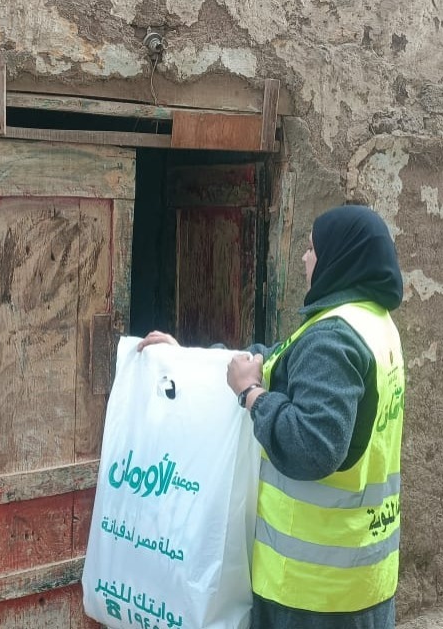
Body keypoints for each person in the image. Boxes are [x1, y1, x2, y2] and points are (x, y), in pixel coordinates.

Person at [138, 204, 405, 629]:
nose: (304, 257)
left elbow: (312, 448)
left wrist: (251, 396)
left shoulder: (332, 338)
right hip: (362, 576)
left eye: (312, 248)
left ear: (338, 257)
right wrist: (186, 359)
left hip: (310, 590)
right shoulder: (373, 325)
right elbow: (279, 362)